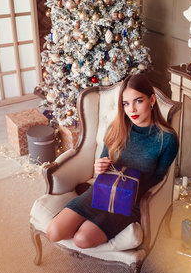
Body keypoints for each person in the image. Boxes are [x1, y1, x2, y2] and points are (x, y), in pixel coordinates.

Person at [46, 73, 179, 248]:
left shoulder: (167, 139)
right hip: (103, 189)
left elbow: (159, 179)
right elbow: (104, 160)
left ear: (152, 100)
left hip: (130, 202)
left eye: (138, 101)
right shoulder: (117, 128)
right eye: (126, 104)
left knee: (82, 239)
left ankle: (92, 224)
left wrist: (129, 184)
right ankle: (83, 215)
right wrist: (100, 166)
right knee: (54, 231)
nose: (132, 110)